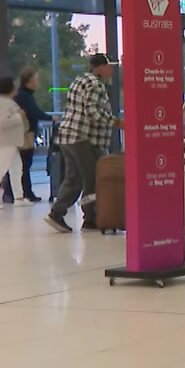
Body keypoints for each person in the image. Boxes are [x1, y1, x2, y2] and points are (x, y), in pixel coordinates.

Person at [46, 53, 122, 233]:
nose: (112, 70)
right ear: (100, 67)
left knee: (73, 179)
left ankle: (58, 212)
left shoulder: (80, 80)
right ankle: (90, 218)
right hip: (84, 140)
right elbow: (92, 111)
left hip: (69, 137)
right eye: (110, 66)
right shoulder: (96, 84)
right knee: (93, 181)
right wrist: (116, 122)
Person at [1, 68, 53, 204]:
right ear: (29, 81)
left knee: (21, 164)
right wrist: (50, 118)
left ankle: (18, 192)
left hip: (24, 133)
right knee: (23, 164)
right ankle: (21, 192)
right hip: (25, 134)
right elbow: (33, 112)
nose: (38, 83)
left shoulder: (24, 95)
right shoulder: (25, 96)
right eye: (36, 79)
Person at [0, 77, 31, 210]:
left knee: (16, 168)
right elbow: (2, 123)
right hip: (5, 141)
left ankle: (19, 197)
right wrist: (19, 116)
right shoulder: (1, 103)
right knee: (0, 169)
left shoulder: (3, 101)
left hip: (10, 141)